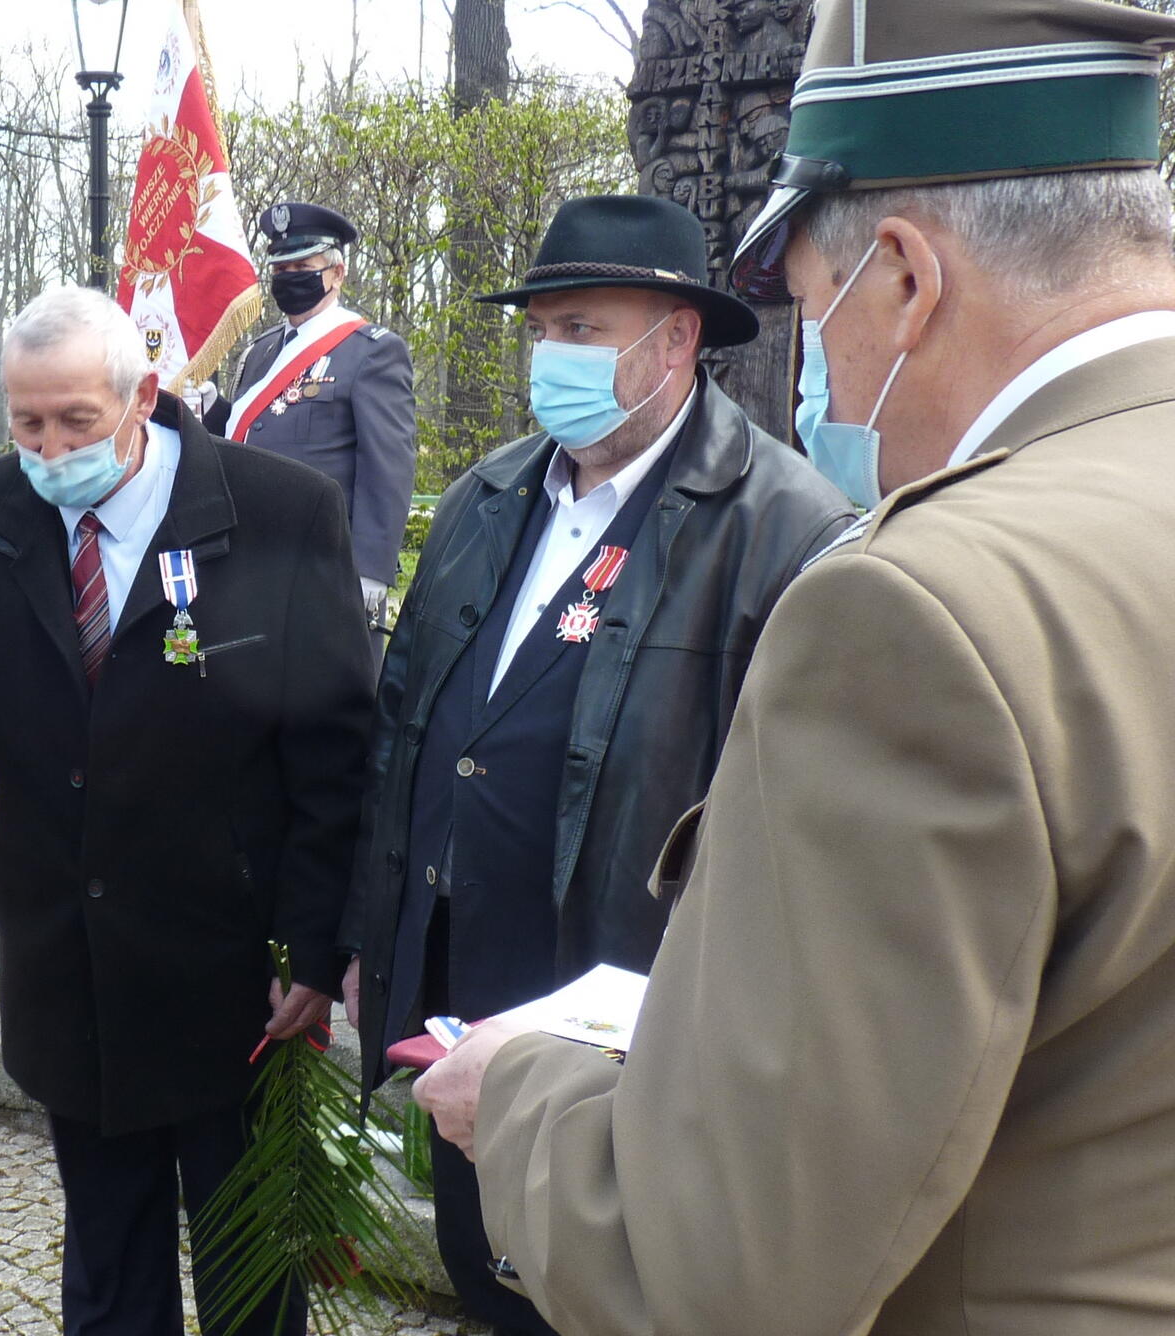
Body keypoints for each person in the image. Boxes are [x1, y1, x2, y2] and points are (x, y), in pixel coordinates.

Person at [413, 2, 1175, 1333]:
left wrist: (518, 1091)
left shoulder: (915, 608)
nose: (815, 365)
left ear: (906, 279)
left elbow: (721, 1269)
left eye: (815, 309)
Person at [339, 193, 852, 1335]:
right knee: (485, 1273)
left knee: (600, 1299)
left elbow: (791, 826)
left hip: (627, 1023)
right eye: (540, 331)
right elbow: (401, 729)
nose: (549, 359)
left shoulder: (782, 530)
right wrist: (377, 936)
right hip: (458, 993)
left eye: (580, 330)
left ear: (675, 340)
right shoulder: (485, 497)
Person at [0, 286, 373, 1336]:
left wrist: (318, 948)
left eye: (76, 421)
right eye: (27, 424)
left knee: (248, 1274)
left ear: (141, 396)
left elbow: (335, 752)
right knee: (107, 1267)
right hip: (73, 966)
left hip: (234, 973)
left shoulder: (280, 513)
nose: (51, 450)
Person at [215, 202, 416, 627]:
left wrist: (371, 567)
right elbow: (249, 434)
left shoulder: (372, 351)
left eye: (303, 267)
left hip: (322, 565)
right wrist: (209, 409)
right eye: (281, 270)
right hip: (249, 559)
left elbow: (387, 465)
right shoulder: (261, 351)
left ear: (337, 273)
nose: (290, 278)